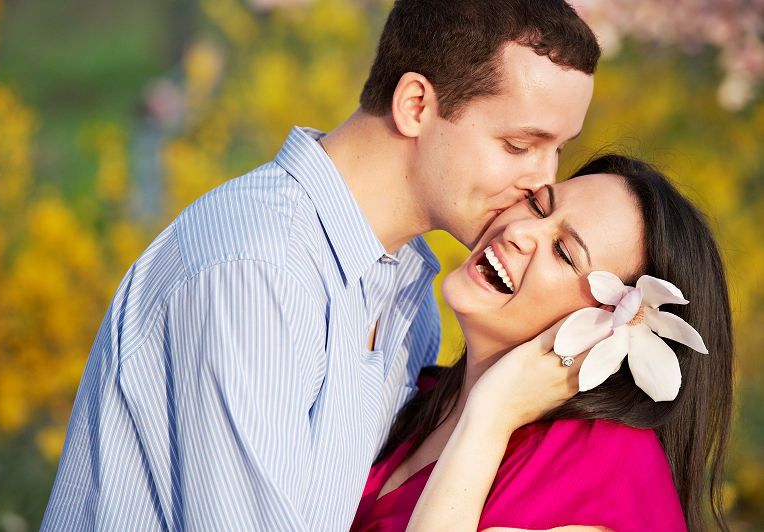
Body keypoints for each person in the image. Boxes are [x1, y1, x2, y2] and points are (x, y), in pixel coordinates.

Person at [40, 1, 600, 530]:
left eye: (558, 151)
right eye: (520, 144)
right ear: (416, 106)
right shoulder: (256, 271)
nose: (544, 181)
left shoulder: (406, 296)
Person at [350, 154, 733, 532]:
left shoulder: (605, 469)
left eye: (564, 252)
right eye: (536, 205)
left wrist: (491, 415)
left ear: (616, 331)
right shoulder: (414, 389)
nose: (517, 232)